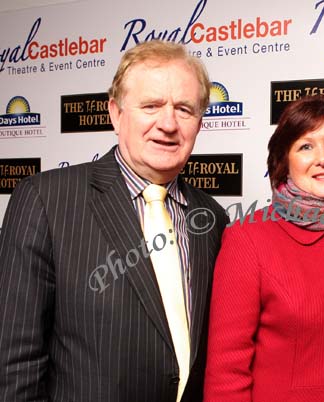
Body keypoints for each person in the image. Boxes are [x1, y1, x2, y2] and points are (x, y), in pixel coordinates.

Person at [0, 40, 228, 402]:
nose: (168, 123)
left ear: (199, 122)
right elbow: (14, 364)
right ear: (115, 113)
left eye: (184, 109)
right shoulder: (46, 200)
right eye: (151, 105)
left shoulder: (212, 218)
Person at [204, 94, 324, 402]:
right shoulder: (248, 237)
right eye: (306, 146)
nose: (323, 158)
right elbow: (227, 372)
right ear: (284, 161)